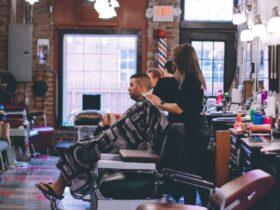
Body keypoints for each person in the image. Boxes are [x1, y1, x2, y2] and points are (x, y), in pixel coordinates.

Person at [35, 73, 169, 201]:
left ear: (141, 87)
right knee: (84, 144)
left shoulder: (144, 106)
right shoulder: (144, 106)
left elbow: (124, 131)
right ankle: (61, 184)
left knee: (78, 149)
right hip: (122, 145)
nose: (128, 88)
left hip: (128, 150)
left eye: (131, 85)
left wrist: (103, 136)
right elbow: (123, 129)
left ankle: (59, 187)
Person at [147, 43, 210, 206]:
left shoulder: (191, 81)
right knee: (191, 172)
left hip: (194, 132)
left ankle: (204, 205)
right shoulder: (190, 78)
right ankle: (194, 205)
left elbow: (179, 108)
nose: (173, 62)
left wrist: (158, 102)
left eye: (175, 59)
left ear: (182, 60)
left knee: (194, 172)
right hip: (194, 130)